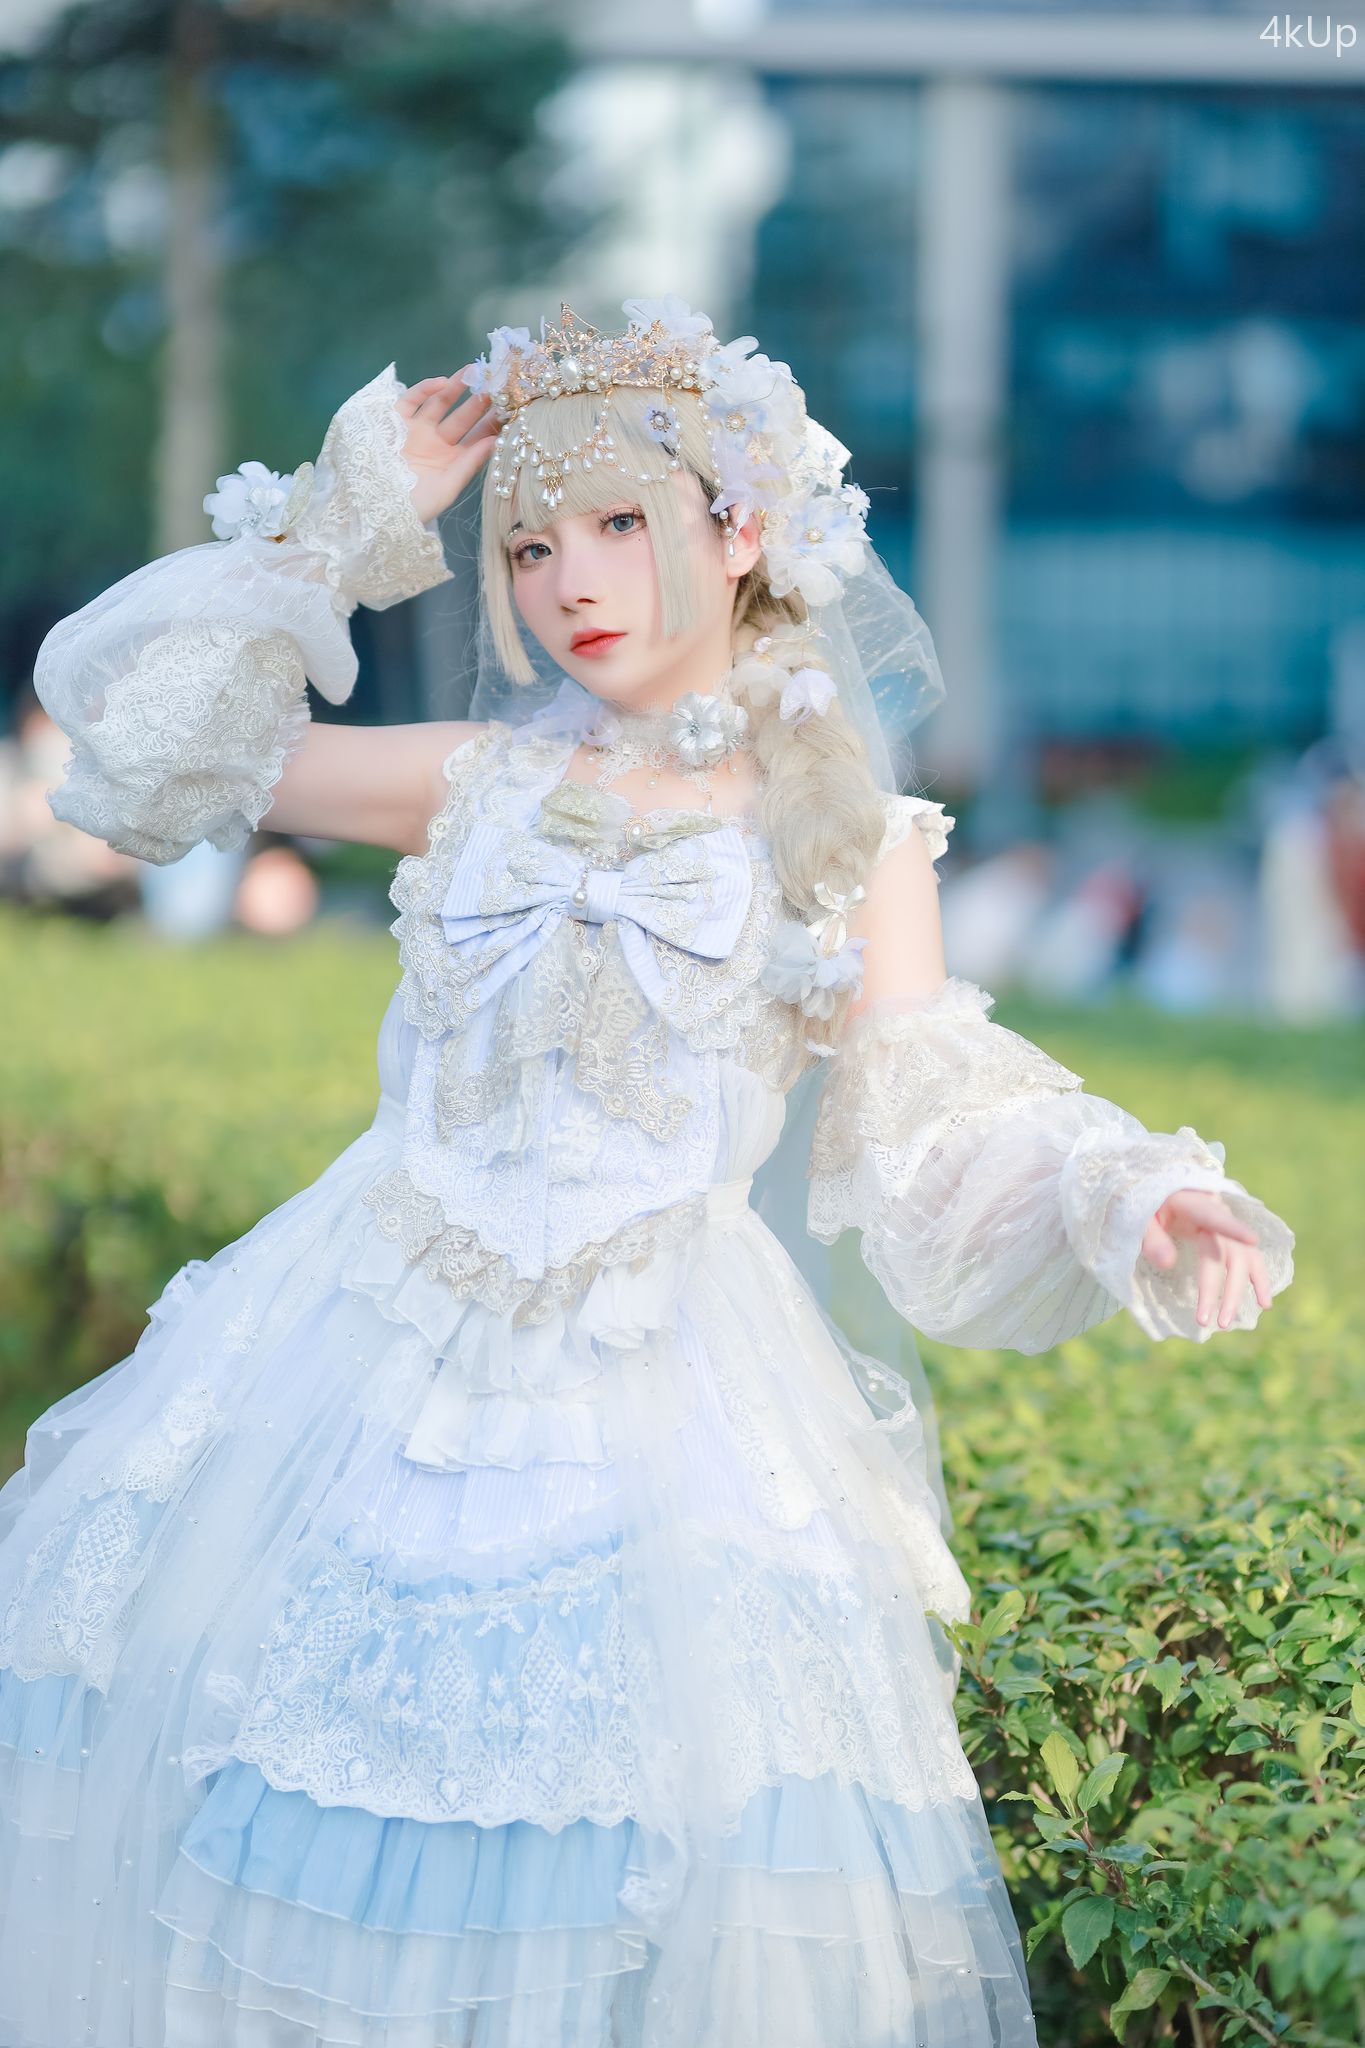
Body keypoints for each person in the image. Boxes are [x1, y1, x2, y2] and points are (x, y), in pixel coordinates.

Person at [1, 298, 1293, 2048]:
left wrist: (1119, 1187)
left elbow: (924, 1121)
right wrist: (346, 521)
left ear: (742, 531)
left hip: (664, 1393)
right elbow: (141, 764)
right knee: (277, 1815)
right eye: (529, 545)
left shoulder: (839, 836)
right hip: (360, 1358)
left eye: (620, 522)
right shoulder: (470, 779)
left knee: (636, 1875)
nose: (570, 582)